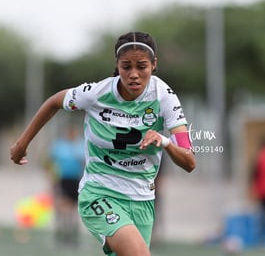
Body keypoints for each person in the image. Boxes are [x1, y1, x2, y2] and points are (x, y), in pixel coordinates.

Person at [11, 31, 196, 256]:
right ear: (117, 65)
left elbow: (189, 161)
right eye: (126, 66)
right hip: (100, 193)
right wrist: (22, 144)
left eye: (142, 66)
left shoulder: (164, 97)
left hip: (142, 199)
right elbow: (53, 102)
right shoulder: (96, 93)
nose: (134, 74)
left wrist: (165, 141)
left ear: (154, 64)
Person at [48, 126, 85, 245]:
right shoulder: (59, 146)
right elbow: (49, 162)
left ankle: (72, 234)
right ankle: (62, 232)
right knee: (63, 206)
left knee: (73, 208)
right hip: (63, 180)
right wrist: (51, 178)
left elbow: (85, 162)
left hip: (77, 180)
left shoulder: (81, 145)